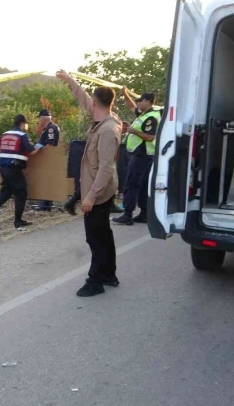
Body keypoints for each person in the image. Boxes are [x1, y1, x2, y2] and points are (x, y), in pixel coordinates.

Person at [56, 69, 122, 298]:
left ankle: (95, 281)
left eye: (91, 101)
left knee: (95, 237)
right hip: (99, 188)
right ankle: (109, 274)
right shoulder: (104, 117)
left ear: (96, 103)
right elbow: (83, 98)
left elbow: (106, 167)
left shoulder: (108, 130)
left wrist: (91, 196)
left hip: (99, 191)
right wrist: (69, 81)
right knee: (103, 233)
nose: (88, 104)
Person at [0, 114, 40, 228]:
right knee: (21, 192)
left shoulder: (5, 134)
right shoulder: (22, 135)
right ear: (22, 124)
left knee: (6, 193)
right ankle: (18, 221)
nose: (26, 126)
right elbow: (32, 151)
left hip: (3, 168)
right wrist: (39, 145)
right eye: (26, 124)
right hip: (14, 168)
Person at [112, 89, 161, 226]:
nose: (138, 104)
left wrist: (134, 131)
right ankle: (144, 214)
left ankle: (127, 214)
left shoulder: (152, 117)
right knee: (143, 184)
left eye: (141, 101)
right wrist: (125, 93)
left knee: (132, 183)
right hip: (142, 154)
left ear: (149, 101)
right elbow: (131, 106)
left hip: (142, 154)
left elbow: (150, 137)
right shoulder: (144, 114)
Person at [33, 109, 62, 212]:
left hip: (48, 158)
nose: (39, 121)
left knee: (46, 180)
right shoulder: (48, 128)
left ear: (42, 118)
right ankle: (46, 203)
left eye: (39, 118)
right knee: (46, 180)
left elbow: (49, 146)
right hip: (47, 158)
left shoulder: (51, 128)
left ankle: (45, 204)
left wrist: (40, 149)